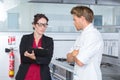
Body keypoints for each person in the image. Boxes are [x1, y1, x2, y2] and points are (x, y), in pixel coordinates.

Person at [66, 6, 104, 80]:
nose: (73, 23)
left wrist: (73, 55)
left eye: (75, 20)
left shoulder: (93, 36)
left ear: (82, 19)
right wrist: (74, 54)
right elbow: (68, 59)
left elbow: (80, 62)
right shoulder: (81, 36)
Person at [15, 14, 54, 80]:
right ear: (34, 25)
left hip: (42, 76)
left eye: (45, 25)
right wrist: (41, 54)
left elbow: (47, 60)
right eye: (40, 24)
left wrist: (33, 57)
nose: (43, 27)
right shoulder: (25, 38)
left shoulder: (49, 40)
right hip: (25, 75)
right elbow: (23, 58)